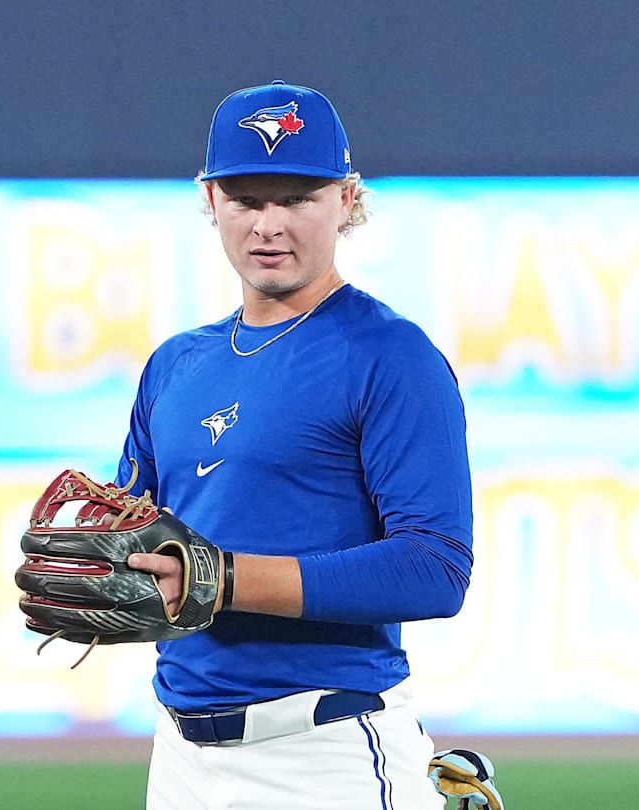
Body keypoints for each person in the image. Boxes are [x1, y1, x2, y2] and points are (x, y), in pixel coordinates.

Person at [114, 80, 475, 810]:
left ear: (346, 200)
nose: (269, 225)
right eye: (247, 199)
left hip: (326, 754)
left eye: (298, 197)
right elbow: (139, 537)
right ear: (209, 200)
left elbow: (436, 567)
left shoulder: (389, 355)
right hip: (179, 757)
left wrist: (223, 578)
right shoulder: (176, 365)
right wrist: (107, 573)